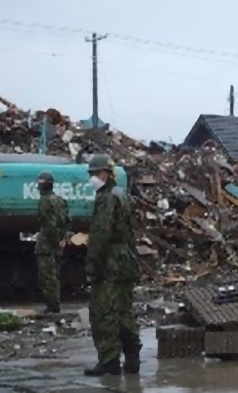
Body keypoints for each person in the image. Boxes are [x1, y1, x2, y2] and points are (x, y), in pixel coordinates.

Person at [84, 153, 142, 377]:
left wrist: (92, 266)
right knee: (125, 312)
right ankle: (132, 358)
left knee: (103, 313)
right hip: (125, 260)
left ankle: (109, 361)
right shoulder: (121, 194)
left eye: (96, 173)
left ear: (107, 173)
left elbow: (100, 235)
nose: (93, 177)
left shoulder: (106, 198)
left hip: (110, 263)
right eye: (91, 173)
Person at [34, 171, 71, 314]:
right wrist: (62, 239)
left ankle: (53, 307)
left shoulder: (44, 201)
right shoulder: (60, 200)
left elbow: (49, 225)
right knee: (55, 275)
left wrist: (55, 241)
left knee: (47, 277)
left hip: (47, 245)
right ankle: (54, 304)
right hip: (56, 244)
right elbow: (68, 222)